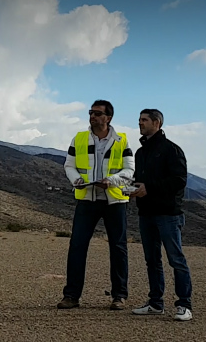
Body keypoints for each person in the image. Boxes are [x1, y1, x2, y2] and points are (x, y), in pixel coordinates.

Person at [57, 99, 135, 310]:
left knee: (118, 247)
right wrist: (76, 180)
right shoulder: (79, 138)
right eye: (91, 113)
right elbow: (69, 165)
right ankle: (71, 295)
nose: (93, 116)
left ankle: (119, 296)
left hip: (114, 200)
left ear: (108, 118)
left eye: (98, 113)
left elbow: (129, 171)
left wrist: (111, 181)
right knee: (77, 246)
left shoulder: (122, 141)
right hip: (87, 199)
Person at [129, 109, 193, 321]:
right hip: (146, 213)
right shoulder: (140, 152)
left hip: (168, 214)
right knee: (152, 260)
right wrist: (130, 188)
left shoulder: (171, 150)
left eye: (144, 120)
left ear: (156, 123)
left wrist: (149, 188)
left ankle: (184, 305)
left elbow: (179, 180)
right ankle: (156, 303)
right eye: (139, 120)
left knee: (176, 259)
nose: (140, 123)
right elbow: (141, 179)